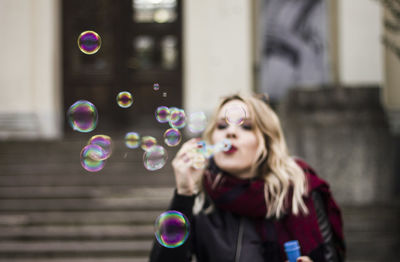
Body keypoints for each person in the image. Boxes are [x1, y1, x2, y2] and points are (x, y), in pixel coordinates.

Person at [150, 94, 345, 262]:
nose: (231, 132)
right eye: (222, 125)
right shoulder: (200, 200)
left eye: (246, 126)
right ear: (212, 139)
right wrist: (184, 194)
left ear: (267, 140)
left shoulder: (301, 190)